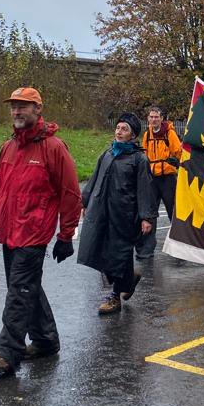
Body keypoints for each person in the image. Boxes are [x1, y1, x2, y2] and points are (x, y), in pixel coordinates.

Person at [0, 87, 81, 376]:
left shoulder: (54, 148)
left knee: (18, 291)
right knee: (27, 288)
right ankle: (46, 340)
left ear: (38, 110)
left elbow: (70, 193)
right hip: (9, 231)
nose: (16, 112)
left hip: (34, 234)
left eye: (23, 107)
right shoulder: (9, 147)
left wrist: (66, 235)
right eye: (14, 107)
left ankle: (7, 351)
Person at [77, 113, 157, 315]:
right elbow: (94, 179)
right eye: (118, 128)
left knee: (119, 254)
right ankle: (129, 279)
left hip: (124, 215)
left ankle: (115, 297)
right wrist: (84, 202)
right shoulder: (108, 154)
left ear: (132, 135)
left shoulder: (139, 159)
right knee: (101, 251)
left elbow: (145, 189)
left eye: (124, 129)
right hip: (103, 212)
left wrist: (146, 217)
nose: (119, 132)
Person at [136, 106, 182, 262]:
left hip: (168, 179)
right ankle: (146, 250)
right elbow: (143, 154)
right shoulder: (147, 134)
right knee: (149, 213)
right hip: (152, 179)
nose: (153, 119)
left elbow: (179, 153)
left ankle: (180, 248)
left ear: (162, 118)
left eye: (156, 117)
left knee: (173, 213)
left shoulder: (170, 133)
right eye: (151, 117)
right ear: (148, 119)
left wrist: (176, 162)